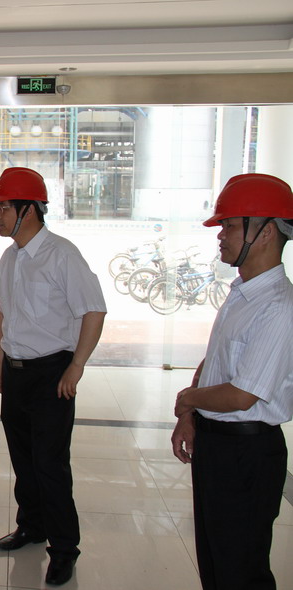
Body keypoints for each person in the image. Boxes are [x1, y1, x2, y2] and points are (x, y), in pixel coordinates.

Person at [171, 173, 293, 590]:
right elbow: (216, 361)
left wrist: (188, 398)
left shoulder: (278, 307)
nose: (220, 236)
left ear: (266, 232)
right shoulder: (242, 292)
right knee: (215, 560)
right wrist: (190, 416)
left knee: (240, 569)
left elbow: (242, 394)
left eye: (229, 225)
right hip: (218, 444)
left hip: (247, 454)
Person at [0, 167, 106, 586]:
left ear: (29, 210)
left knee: (50, 464)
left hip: (51, 374)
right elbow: (5, 314)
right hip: (16, 372)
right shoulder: (9, 258)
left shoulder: (62, 255)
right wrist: (0, 363)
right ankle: (32, 526)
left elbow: (94, 310)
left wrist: (76, 366)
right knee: (23, 459)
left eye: (4, 207)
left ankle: (64, 549)